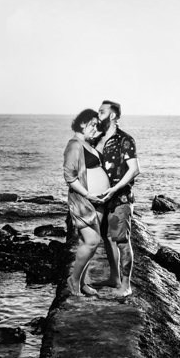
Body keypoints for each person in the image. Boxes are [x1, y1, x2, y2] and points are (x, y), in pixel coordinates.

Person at [94, 100, 140, 297]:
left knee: (121, 240)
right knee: (106, 238)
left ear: (112, 116)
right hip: (101, 199)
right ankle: (114, 277)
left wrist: (115, 189)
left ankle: (126, 285)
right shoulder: (98, 139)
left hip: (120, 198)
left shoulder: (125, 140)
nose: (98, 115)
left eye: (102, 112)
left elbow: (134, 170)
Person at [63, 109, 108, 297]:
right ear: (82, 124)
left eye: (97, 125)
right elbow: (69, 177)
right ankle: (73, 280)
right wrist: (89, 194)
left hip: (98, 201)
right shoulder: (74, 145)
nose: (95, 128)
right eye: (93, 124)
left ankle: (82, 281)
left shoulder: (87, 144)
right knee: (92, 241)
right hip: (84, 200)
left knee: (87, 243)